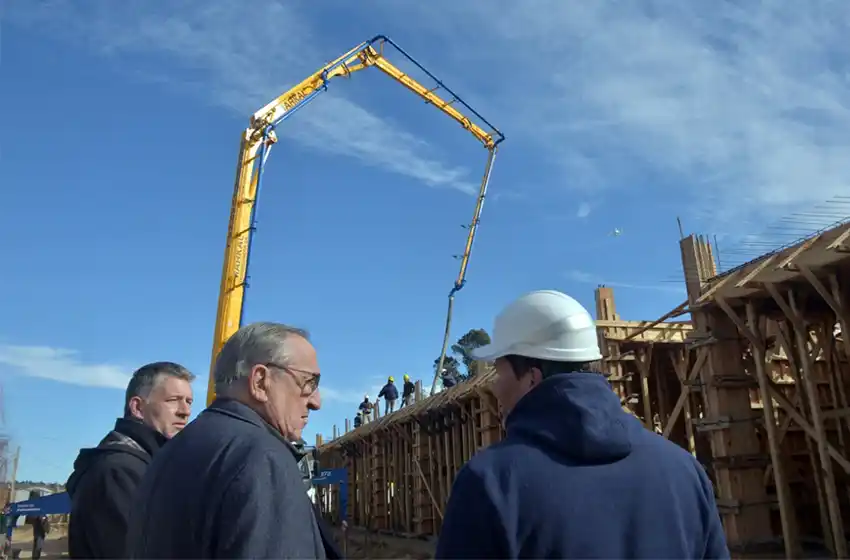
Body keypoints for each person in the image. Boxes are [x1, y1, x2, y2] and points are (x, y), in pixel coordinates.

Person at [435, 290, 729, 559]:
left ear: (532, 378)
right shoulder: (685, 471)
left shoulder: (490, 483)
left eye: (499, 374)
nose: (495, 389)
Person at [126, 322, 329, 559]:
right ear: (260, 382)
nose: (316, 402)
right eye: (309, 383)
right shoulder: (262, 459)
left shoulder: (169, 453)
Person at [66, 362, 195, 559]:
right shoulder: (118, 471)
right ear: (137, 407)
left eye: (189, 401)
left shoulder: (149, 465)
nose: (184, 411)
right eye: (173, 400)